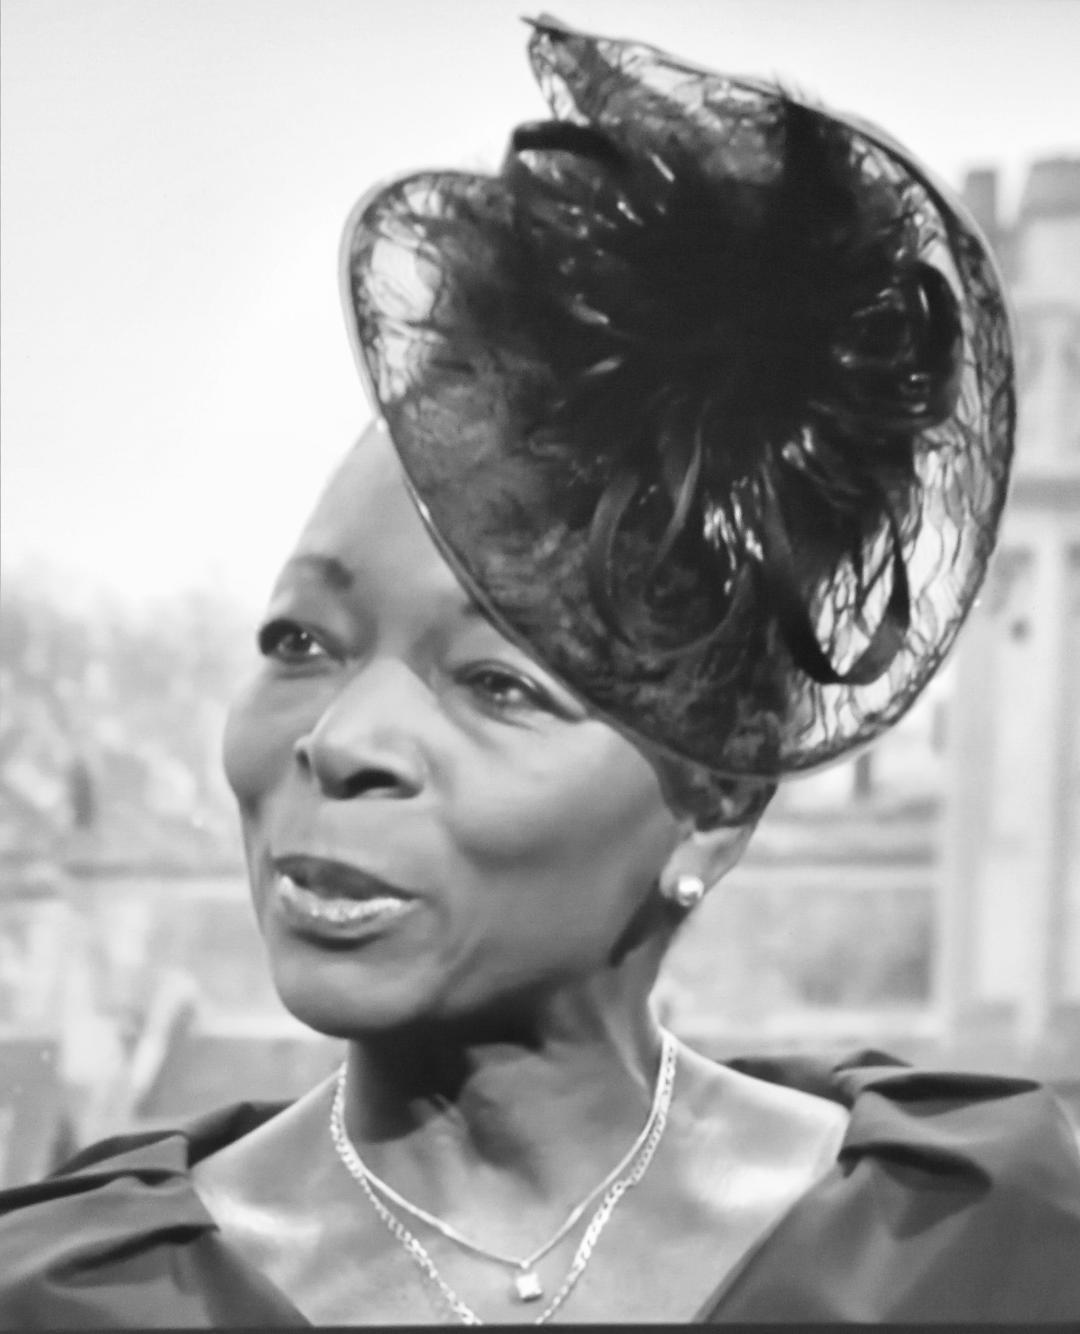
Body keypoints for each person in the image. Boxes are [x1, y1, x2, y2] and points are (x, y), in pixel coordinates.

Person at [2, 14, 1079, 1328]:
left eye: (497, 683)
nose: (343, 739)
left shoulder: (983, 1247)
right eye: (301, 641)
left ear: (715, 806)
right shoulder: (65, 1297)